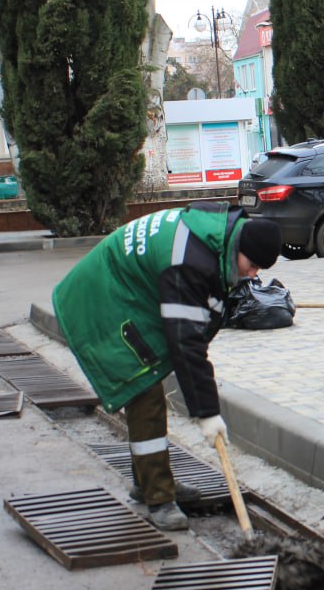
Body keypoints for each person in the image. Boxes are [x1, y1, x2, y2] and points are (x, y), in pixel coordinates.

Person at [51, 203, 282, 530]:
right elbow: (186, 343)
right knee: (143, 389)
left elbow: (196, 328)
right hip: (101, 299)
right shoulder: (189, 262)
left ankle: (150, 481)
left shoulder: (217, 236)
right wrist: (207, 412)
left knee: (149, 385)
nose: (253, 274)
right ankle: (158, 498)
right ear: (239, 247)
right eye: (253, 264)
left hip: (125, 288)